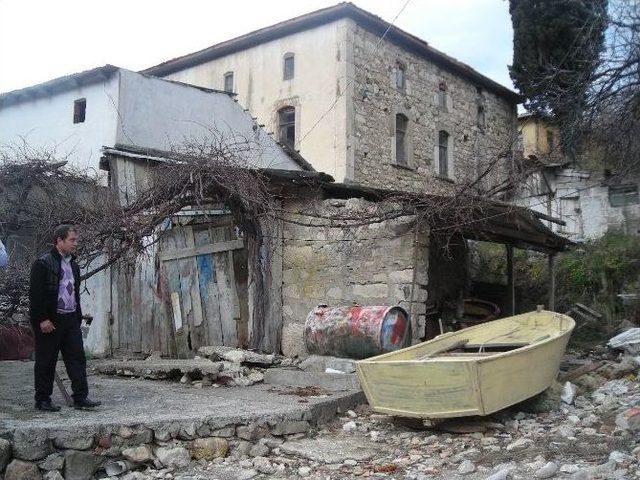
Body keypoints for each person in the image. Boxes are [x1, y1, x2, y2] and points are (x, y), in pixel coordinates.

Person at [29, 225, 101, 411]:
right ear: (59, 241)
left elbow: (74, 294)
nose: (75, 243)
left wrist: (77, 317)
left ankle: (80, 397)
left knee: (77, 358)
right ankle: (43, 399)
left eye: (75, 240)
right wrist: (42, 319)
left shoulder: (73, 265)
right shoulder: (43, 263)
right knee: (46, 361)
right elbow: (36, 296)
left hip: (70, 320)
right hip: (50, 320)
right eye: (72, 240)